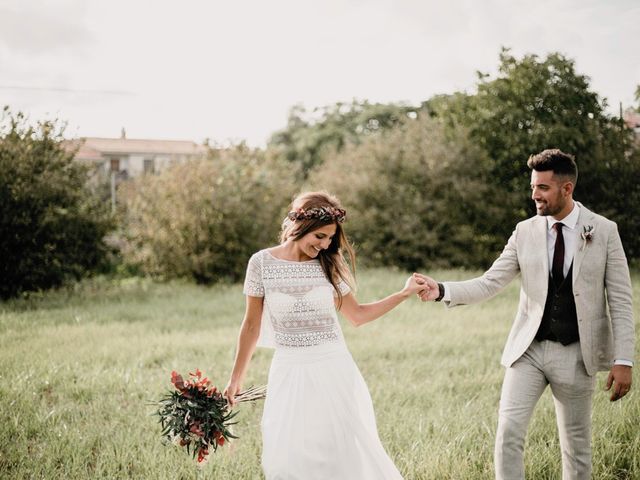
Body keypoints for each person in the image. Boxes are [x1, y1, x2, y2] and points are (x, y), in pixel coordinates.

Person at [415, 149, 634, 480]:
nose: (534, 195)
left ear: (567, 188)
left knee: (576, 447)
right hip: (528, 351)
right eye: (533, 187)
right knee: (508, 433)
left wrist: (624, 360)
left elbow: (620, 300)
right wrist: (442, 290)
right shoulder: (525, 231)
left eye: (543, 188)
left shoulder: (603, 231)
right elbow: (490, 282)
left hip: (577, 354)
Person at [224, 191, 423, 479]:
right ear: (299, 227)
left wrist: (403, 294)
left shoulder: (329, 264)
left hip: (333, 368)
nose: (325, 244)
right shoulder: (261, 263)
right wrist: (235, 379)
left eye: (330, 239)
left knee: (337, 457)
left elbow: (358, 315)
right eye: (320, 236)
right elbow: (251, 326)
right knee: (284, 459)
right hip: (289, 371)